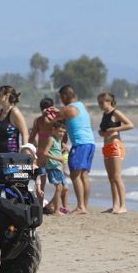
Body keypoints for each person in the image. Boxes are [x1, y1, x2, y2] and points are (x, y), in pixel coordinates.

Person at [57, 85, 95, 214]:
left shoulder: (68, 109)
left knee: (74, 174)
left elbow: (54, 122)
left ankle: (80, 206)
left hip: (80, 144)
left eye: (61, 98)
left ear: (64, 96)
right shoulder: (82, 105)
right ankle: (84, 206)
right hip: (90, 142)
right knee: (84, 175)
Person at [97, 92, 134, 215]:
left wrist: (115, 129)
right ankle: (115, 206)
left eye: (102, 102)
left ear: (109, 102)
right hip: (106, 146)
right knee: (111, 178)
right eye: (99, 103)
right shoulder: (104, 114)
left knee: (117, 177)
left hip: (115, 146)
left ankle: (123, 206)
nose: (100, 105)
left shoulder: (116, 113)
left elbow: (130, 125)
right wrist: (101, 133)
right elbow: (104, 130)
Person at [28, 98, 59, 199]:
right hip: (44, 153)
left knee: (56, 179)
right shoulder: (39, 120)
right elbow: (32, 136)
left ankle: (57, 205)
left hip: (51, 152)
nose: (46, 111)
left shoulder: (55, 120)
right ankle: (41, 203)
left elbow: (62, 131)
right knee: (43, 179)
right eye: (45, 109)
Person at [0, 86, 29, 154]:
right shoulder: (0, 112)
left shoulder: (14, 112)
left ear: (7, 95)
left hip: (11, 155)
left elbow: (25, 133)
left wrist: (24, 153)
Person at [42, 121, 70, 215]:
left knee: (65, 188)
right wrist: (58, 158)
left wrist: (63, 150)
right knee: (59, 187)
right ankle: (56, 210)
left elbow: (55, 152)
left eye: (63, 132)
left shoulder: (59, 140)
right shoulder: (51, 139)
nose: (61, 134)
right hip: (52, 166)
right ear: (53, 130)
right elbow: (45, 153)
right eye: (59, 131)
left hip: (58, 166)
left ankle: (49, 205)